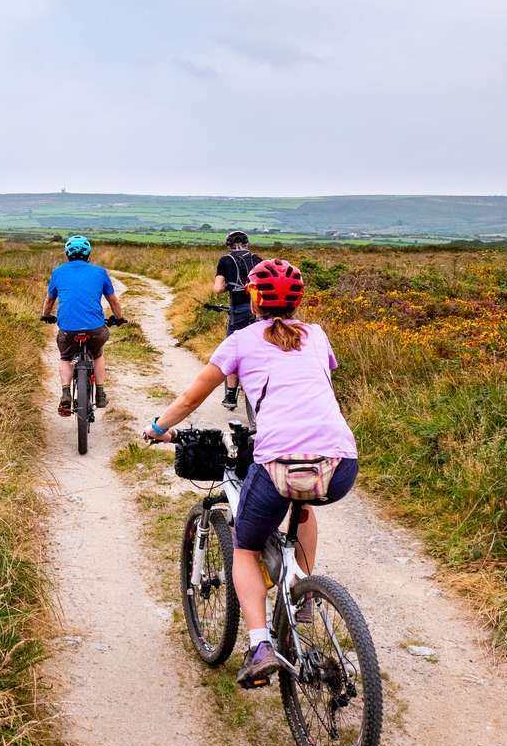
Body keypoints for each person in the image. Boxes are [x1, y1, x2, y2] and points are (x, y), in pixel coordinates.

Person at [143, 258, 357, 688]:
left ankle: (260, 645)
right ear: (299, 300)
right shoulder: (316, 335)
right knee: (302, 507)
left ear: (254, 299)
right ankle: (303, 594)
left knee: (245, 546)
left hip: (279, 460)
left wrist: (157, 428)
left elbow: (190, 398)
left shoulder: (241, 340)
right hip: (339, 463)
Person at [41, 235, 125, 416]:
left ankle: (65, 393)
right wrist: (118, 318)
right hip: (95, 328)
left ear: (67, 254)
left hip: (68, 329)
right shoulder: (100, 272)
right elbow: (113, 301)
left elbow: (49, 300)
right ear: (88, 254)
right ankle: (100, 392)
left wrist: (46, 315)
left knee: (65, 357)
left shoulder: (58, 272)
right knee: (97, 354)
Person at [213, 230, 261, 410]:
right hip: (259, 310)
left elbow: (218, 289)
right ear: (247, 243)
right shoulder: (258, 259)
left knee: (234, 351)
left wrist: (228, 287)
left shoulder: (225, 261)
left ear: (229, 245)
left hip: (239, 310)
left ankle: (231, 395)